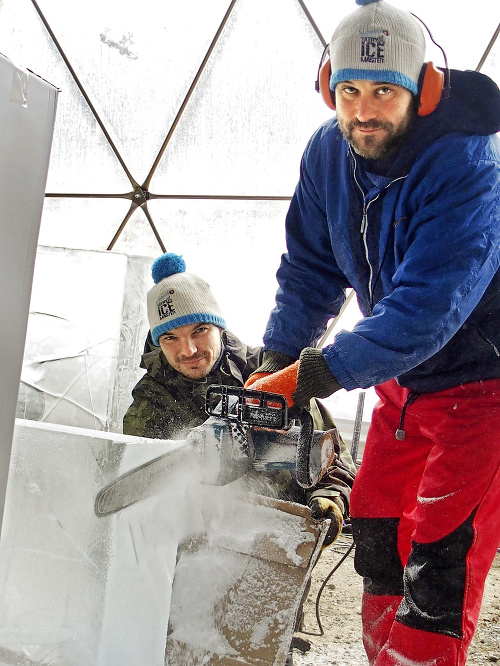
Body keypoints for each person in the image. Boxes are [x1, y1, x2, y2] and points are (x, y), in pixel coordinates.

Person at [244, 1, 500, 665]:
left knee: (439, 568)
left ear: (425, 90)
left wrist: (309, 378)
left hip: (483, 388)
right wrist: (278, 356)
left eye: (385, 91)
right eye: (349, 90)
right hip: (402, 384)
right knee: (379, 531)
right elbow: (308, 271)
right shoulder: (328, 155)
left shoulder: (469, 170)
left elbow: (426, 312)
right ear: (329, 84)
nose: (364, 111)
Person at [123, 252, 357, 661]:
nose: (189, 349)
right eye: (171, 338)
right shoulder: (149, 405)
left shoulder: (272, 375)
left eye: (199, 330)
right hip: (192, 562)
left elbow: (331, 458)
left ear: (218, 324)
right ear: (158, 343)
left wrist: (330, 501)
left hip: (276, 549)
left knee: (261, 650)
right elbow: (140, 499)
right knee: (188, 650)